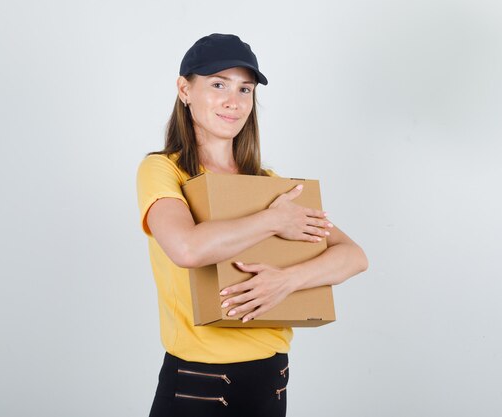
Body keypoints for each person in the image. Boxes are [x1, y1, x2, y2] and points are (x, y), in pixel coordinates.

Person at [136, 33, 368, 417]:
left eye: (245, 89)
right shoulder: (163, 170)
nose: (234, 100)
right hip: (199, 386)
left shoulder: (268, 183)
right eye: (217, 84)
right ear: (184, 90)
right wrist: (274, 220)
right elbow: (187, 248)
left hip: (271, 382)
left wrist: (287, 280)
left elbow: (354, 256)